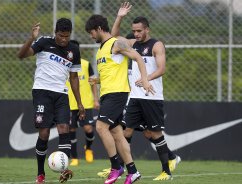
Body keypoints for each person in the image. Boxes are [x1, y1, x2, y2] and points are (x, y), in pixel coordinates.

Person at [110, 2, 181, 180]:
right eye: (134, 31)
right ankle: (124, 168)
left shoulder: (157, 45)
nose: (136, 34)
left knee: (155, 134)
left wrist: (145, 79)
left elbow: (162, 69)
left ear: (147, 30)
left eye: (139, 31)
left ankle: (166, 171)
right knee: (126, 132)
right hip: (135, 97)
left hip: (152, 97)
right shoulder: (132, 44)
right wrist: (120, 16)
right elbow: (114, 37)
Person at [85, 14, 155, 184]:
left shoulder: (116, 43)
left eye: (92, 32)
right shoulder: (101, 49)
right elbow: (111, 71)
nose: (91, 36)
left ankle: (116, 167)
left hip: (117, 94)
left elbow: (137, 57)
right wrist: (97, 80)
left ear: (99, 29)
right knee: (116, 133)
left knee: (101, 127)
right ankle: (133, 171)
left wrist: (145, 79)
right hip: (108, 94)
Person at [17, 18, 86, 184]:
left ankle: (64, 170)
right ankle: (40, 174)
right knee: (44, 133)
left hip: (61, 94)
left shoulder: (74, 50)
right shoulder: (43, 42)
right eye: (61, 36)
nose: (64, 39)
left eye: (67, 36)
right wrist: (31, 38)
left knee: (65, 128)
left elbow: (74, 78)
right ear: (55, 33)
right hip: (42, 92)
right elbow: (21, 56)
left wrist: (80, 103)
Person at [66, 40, 100, 166]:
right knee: (71, 129)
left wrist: (96, 99)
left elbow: (92, 83)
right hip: (69, 103)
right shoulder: (65, 65)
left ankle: (89, 148)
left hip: (85, 103)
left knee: (88, 128)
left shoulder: (85, 64)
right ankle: (74, 158)